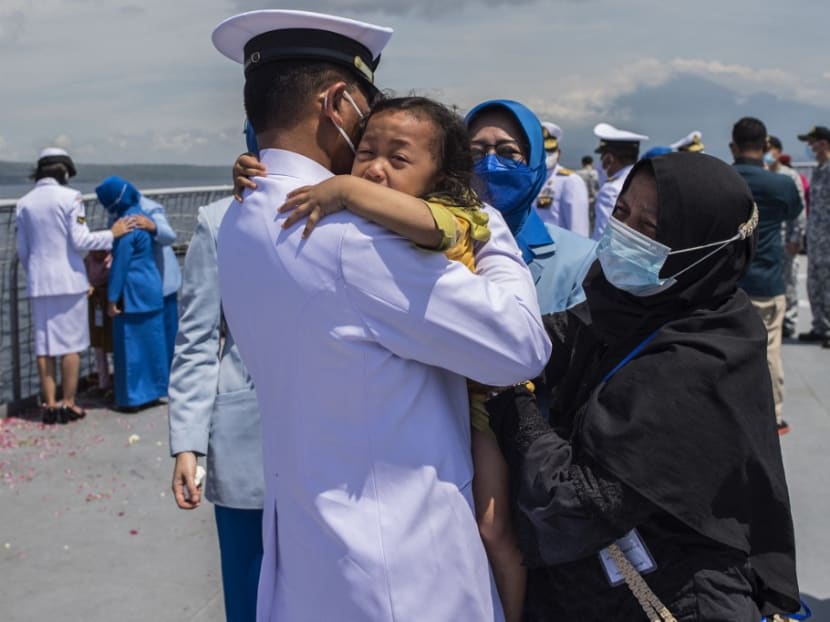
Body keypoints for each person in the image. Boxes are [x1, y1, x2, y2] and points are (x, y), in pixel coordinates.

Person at [212, 10, 550, 622]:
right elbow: (522, 344)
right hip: (404, 574)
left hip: (313, 565)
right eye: (366, 125)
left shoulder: (239, 218)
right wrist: (485, 223)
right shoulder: (351, 242)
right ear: (338, 104)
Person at [488, 152, 800, 621]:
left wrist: (509, 397)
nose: (625, 233)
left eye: (650, 228)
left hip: (675, 599)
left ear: (703, 246)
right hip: (598, 592)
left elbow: (571, 503)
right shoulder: (632, 308)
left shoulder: (701, 362)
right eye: (621, 213)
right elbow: (556, 339)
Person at [168, 194, 263, 622]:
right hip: (247, 437)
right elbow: (197, 337)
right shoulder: (220, 219)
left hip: (331, 446)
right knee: (249, 590)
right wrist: (188, 442)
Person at [15, 148, 132, 424]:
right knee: (70, 346)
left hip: (39, 282)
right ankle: (68, 402)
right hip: (68, 281)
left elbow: (22, 251)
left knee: (44, 347)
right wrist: (111, 234)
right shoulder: (71, 198)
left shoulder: (24, 203)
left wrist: (35, 271)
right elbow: (80, 240)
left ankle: (50, 404)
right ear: (64, 172)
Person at [731, 118, 803, 434]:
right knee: (770, 350)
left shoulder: (723, 179)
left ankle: (729, 411)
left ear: (733, 146)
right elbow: (792, 212)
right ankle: (772, 417)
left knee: (727, 349)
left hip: (729, 282)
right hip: (768, 280)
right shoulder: (783, 184)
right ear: (765, 148)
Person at [95, 176, 169, 411]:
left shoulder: (125, 226)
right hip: (152, 285)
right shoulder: (142, 217)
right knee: (154, 342)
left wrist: (111, 299)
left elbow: (121, 265)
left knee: (130, 345)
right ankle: (157, 389)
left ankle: (133, 397)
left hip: (132, 292)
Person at [765, 136, 807, 338]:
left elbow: (799, 211)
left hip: (787, 240)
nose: (766, 153)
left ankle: (789, 323)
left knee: (789, 281)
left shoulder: (790, 176)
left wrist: (796, 239)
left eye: (770, 149)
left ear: (778, 152)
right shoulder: (763, 174)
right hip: (769, 240)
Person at [136, 196, 181, 365]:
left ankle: (171, 373)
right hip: (145, 286)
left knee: (168, 332)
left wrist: (153, 227)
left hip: (163, 282)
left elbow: (169, 235)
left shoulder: (150, 208)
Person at [796, 125, 830, 348]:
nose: (810, 146)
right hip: (817, 238)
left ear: (825, 143)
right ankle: (821, 327)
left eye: (813, 142)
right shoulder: (819, 169)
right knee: (815, 283)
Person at [591, 122, 648, 241]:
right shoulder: (644, 181)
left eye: (602, 156)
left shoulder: (611, 189)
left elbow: (603, 236)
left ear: (609, 158)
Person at [534, 122, 591, 237]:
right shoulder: (529, 180)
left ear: (558, 153)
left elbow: (578, 232)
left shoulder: (570, 181)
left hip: (559, 252)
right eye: (541, 151)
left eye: (550, 151)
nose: (545, 155)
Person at [83, 250, 113, 396]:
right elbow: (81, 275)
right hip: (95, 304)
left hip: (110, 303)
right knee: (98, 346)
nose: (98, 253)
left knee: (113, 345)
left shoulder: (111, 259)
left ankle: (117, 381)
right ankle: (103, 383)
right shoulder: (88, 260)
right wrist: (87, 284)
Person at [576, 155, 600, 227]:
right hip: (594, 201)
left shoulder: (577, 174)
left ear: (582, 163)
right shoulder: (596, 173)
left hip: (581, 201)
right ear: (592, 163)